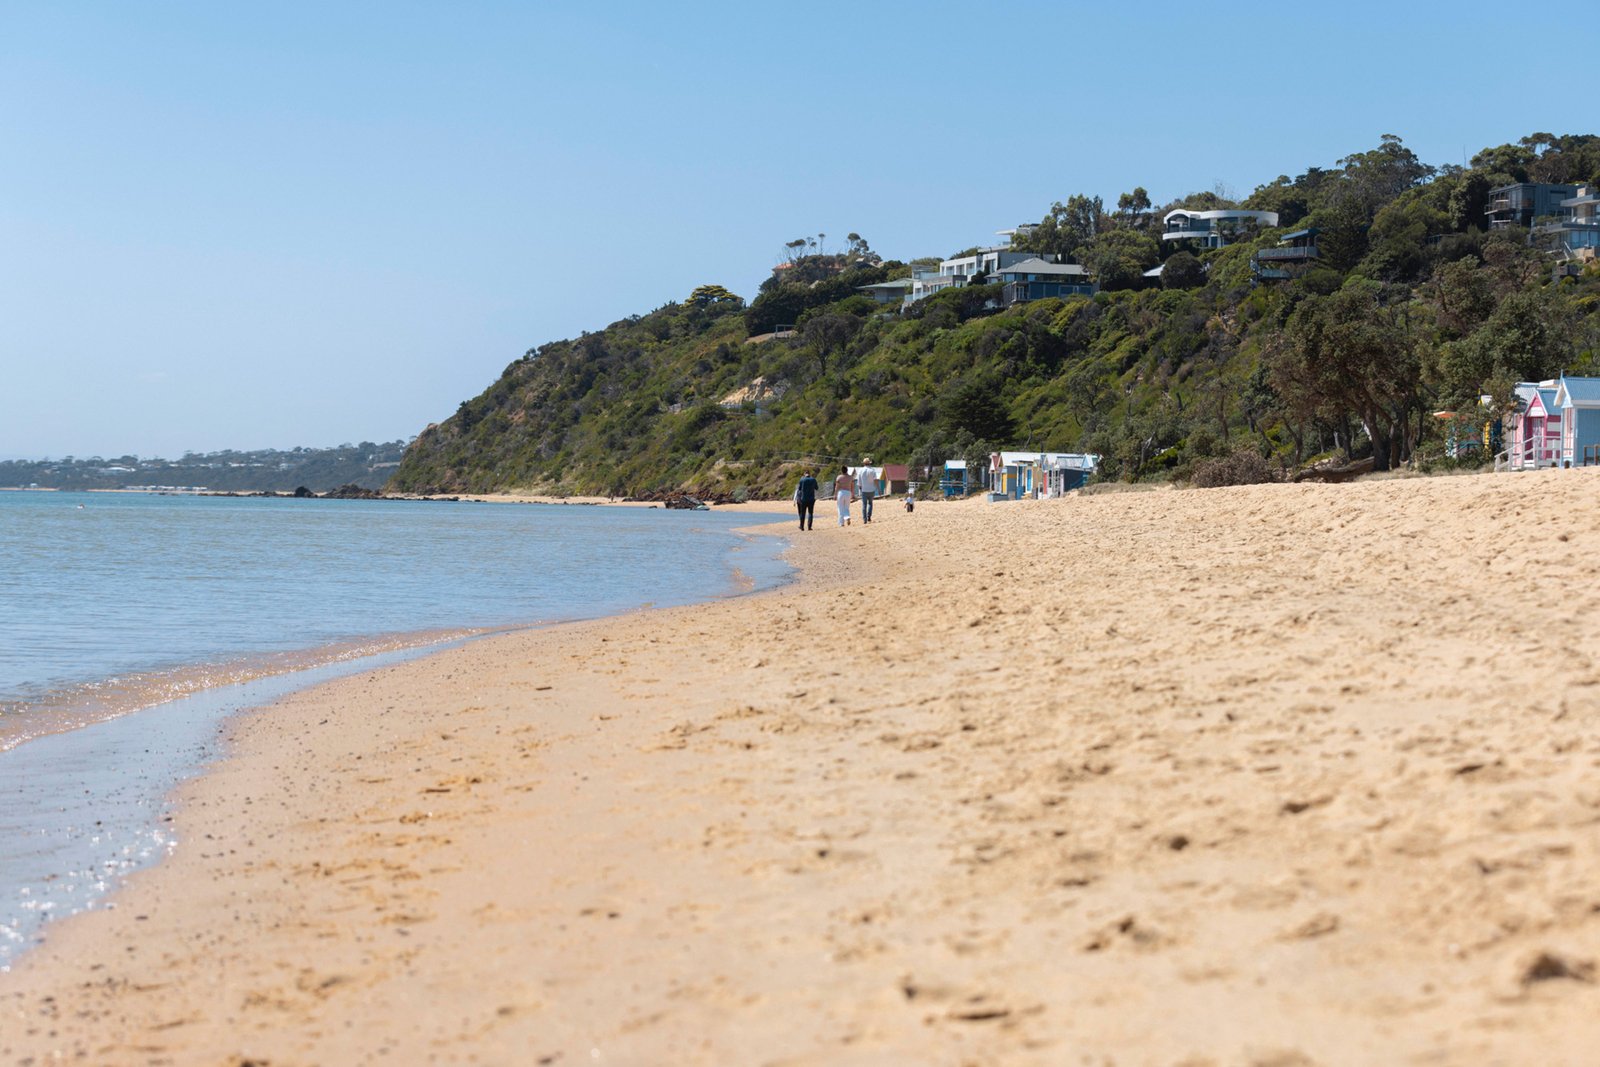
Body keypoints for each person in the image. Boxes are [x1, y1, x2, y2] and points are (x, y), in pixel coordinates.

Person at [856, 456, 879, 524]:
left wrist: (860, 487)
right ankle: (869, 516)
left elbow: (859, 481)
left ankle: (864, 519)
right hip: (871, 489)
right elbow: (875, 480)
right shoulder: (872, 470)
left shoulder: (860, 471)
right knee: (870, 503)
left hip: (864, 490)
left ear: (864, 463)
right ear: (869, 463)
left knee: (864, 505)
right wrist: (878, 489)